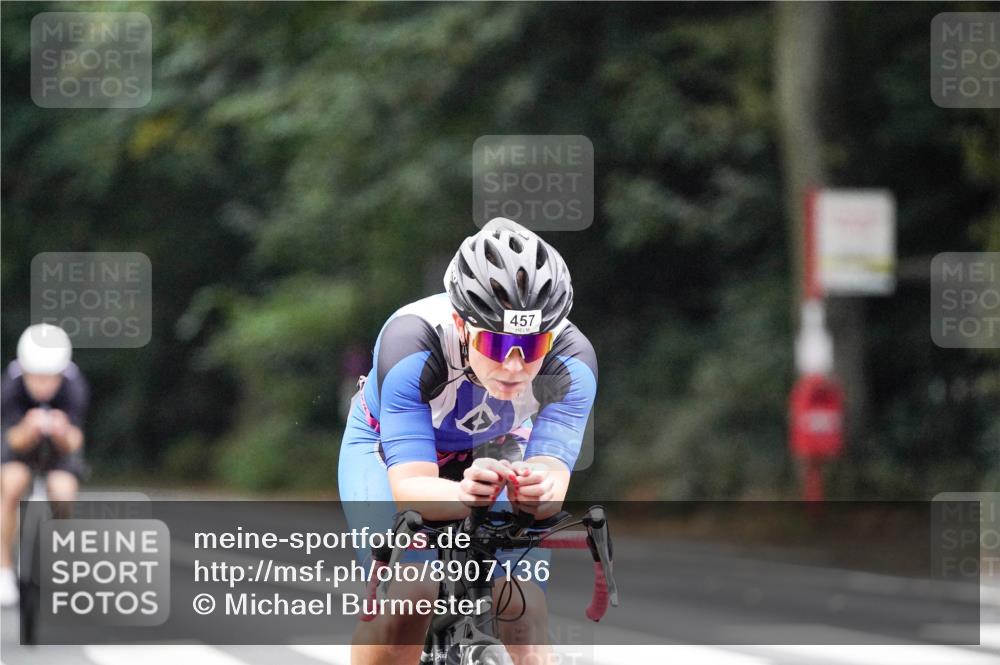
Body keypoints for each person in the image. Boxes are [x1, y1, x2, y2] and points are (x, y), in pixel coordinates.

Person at [339, 217, 597, 665]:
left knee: (523, 609)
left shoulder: (573, 363)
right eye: (497, 345)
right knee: (411, 598)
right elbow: (410, 488)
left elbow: (551, 482)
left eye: (532, 347)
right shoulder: (411, 341)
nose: (514, 367)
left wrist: (535, 489)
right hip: (386, 448)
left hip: (496, 448)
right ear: (461, 324)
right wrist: (464, 494)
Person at [0, 324, 88, 607]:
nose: (42, 385)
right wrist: (29, 428)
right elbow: (12, 439)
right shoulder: (11, 384)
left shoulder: (74, 386)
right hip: (21, 447)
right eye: (35, 378)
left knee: (63, 491)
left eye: (49, 378)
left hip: (58, 451)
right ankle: (3, 568)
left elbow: (75, 441)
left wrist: (62, 432)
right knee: (10, 485)